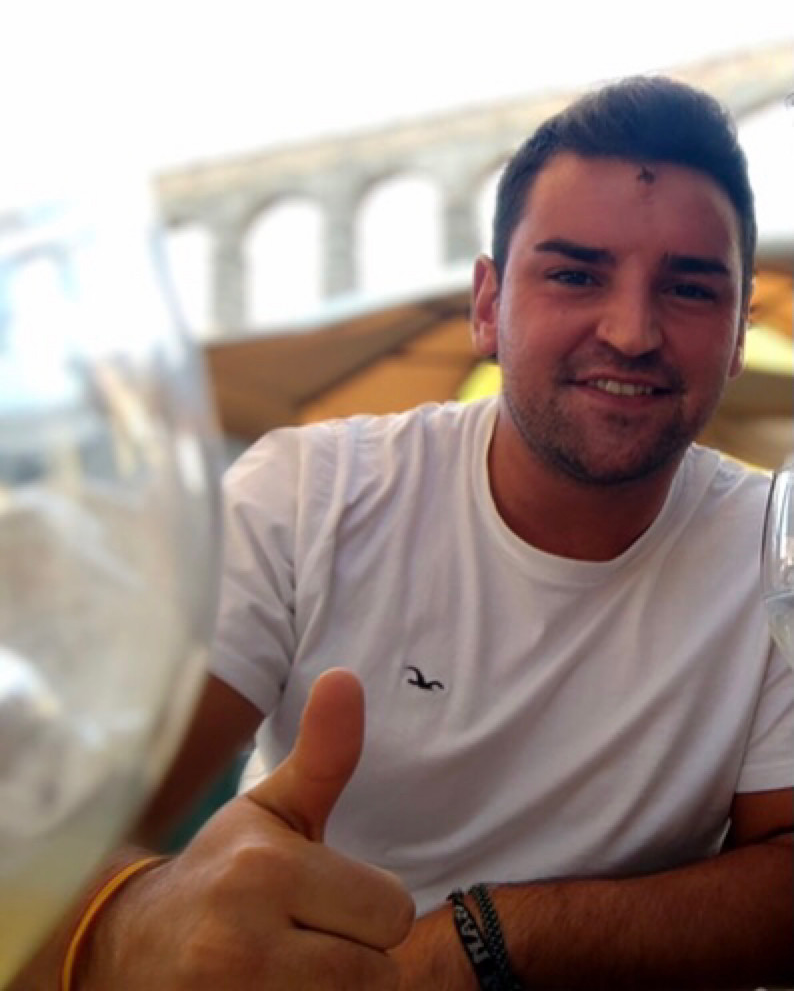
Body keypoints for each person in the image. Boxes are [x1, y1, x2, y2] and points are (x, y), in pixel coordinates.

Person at [14, 76, 793, 991]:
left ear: (737, 335)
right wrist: (127, 927)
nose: (630, 331)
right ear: (488, 306)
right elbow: (49, 834)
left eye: (690, 289)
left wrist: (479, 943)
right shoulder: (309, 495)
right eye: (575, 274)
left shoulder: (776, 550)